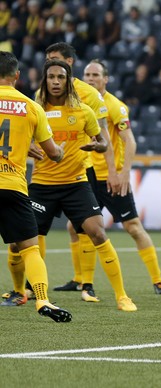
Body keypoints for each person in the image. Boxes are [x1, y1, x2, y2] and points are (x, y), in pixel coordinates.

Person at [20, 59, 136, 312]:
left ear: (69, 80)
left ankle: (122, 296)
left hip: (76, 183)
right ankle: (22, 292)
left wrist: (99, 146)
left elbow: (103, 141)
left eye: (60, 77)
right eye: (51, 77)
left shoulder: (84, 111)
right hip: (42, 184)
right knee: (23, 241)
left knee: (98, 232)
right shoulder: (34, 109)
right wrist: (28, 147)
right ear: (44, 80)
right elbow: (20, 138)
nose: (55, 82)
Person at [81, 59, 161, 296]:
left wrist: (123, 173)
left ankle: (158, 280)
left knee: (133, 227)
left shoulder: (115, 106)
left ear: (105, 79)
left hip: (111, 178)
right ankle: (85, 284)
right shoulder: (78, 104)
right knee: (82, 228)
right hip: (85, 176)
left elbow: (130, 140)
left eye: (95, 75)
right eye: (87, 74)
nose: (90, 79)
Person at [41, 42, 120, 298]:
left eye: (55, 62)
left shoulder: (89, 97)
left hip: (80, 172)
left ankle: (89, 284)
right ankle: (38, 287)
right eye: (47, 64)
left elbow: (104, 137)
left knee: (92, 227)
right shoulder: (38, 98)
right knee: (45, 231)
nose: (53, 76)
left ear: (68, 63)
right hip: (45, 177)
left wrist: (112, 169)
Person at [0, 51, 71, 322]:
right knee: (30, 248)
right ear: (17, 76)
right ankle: (42, 299)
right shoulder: (32, 107)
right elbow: (52, 153)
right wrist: (61, 151)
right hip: (14, 187)